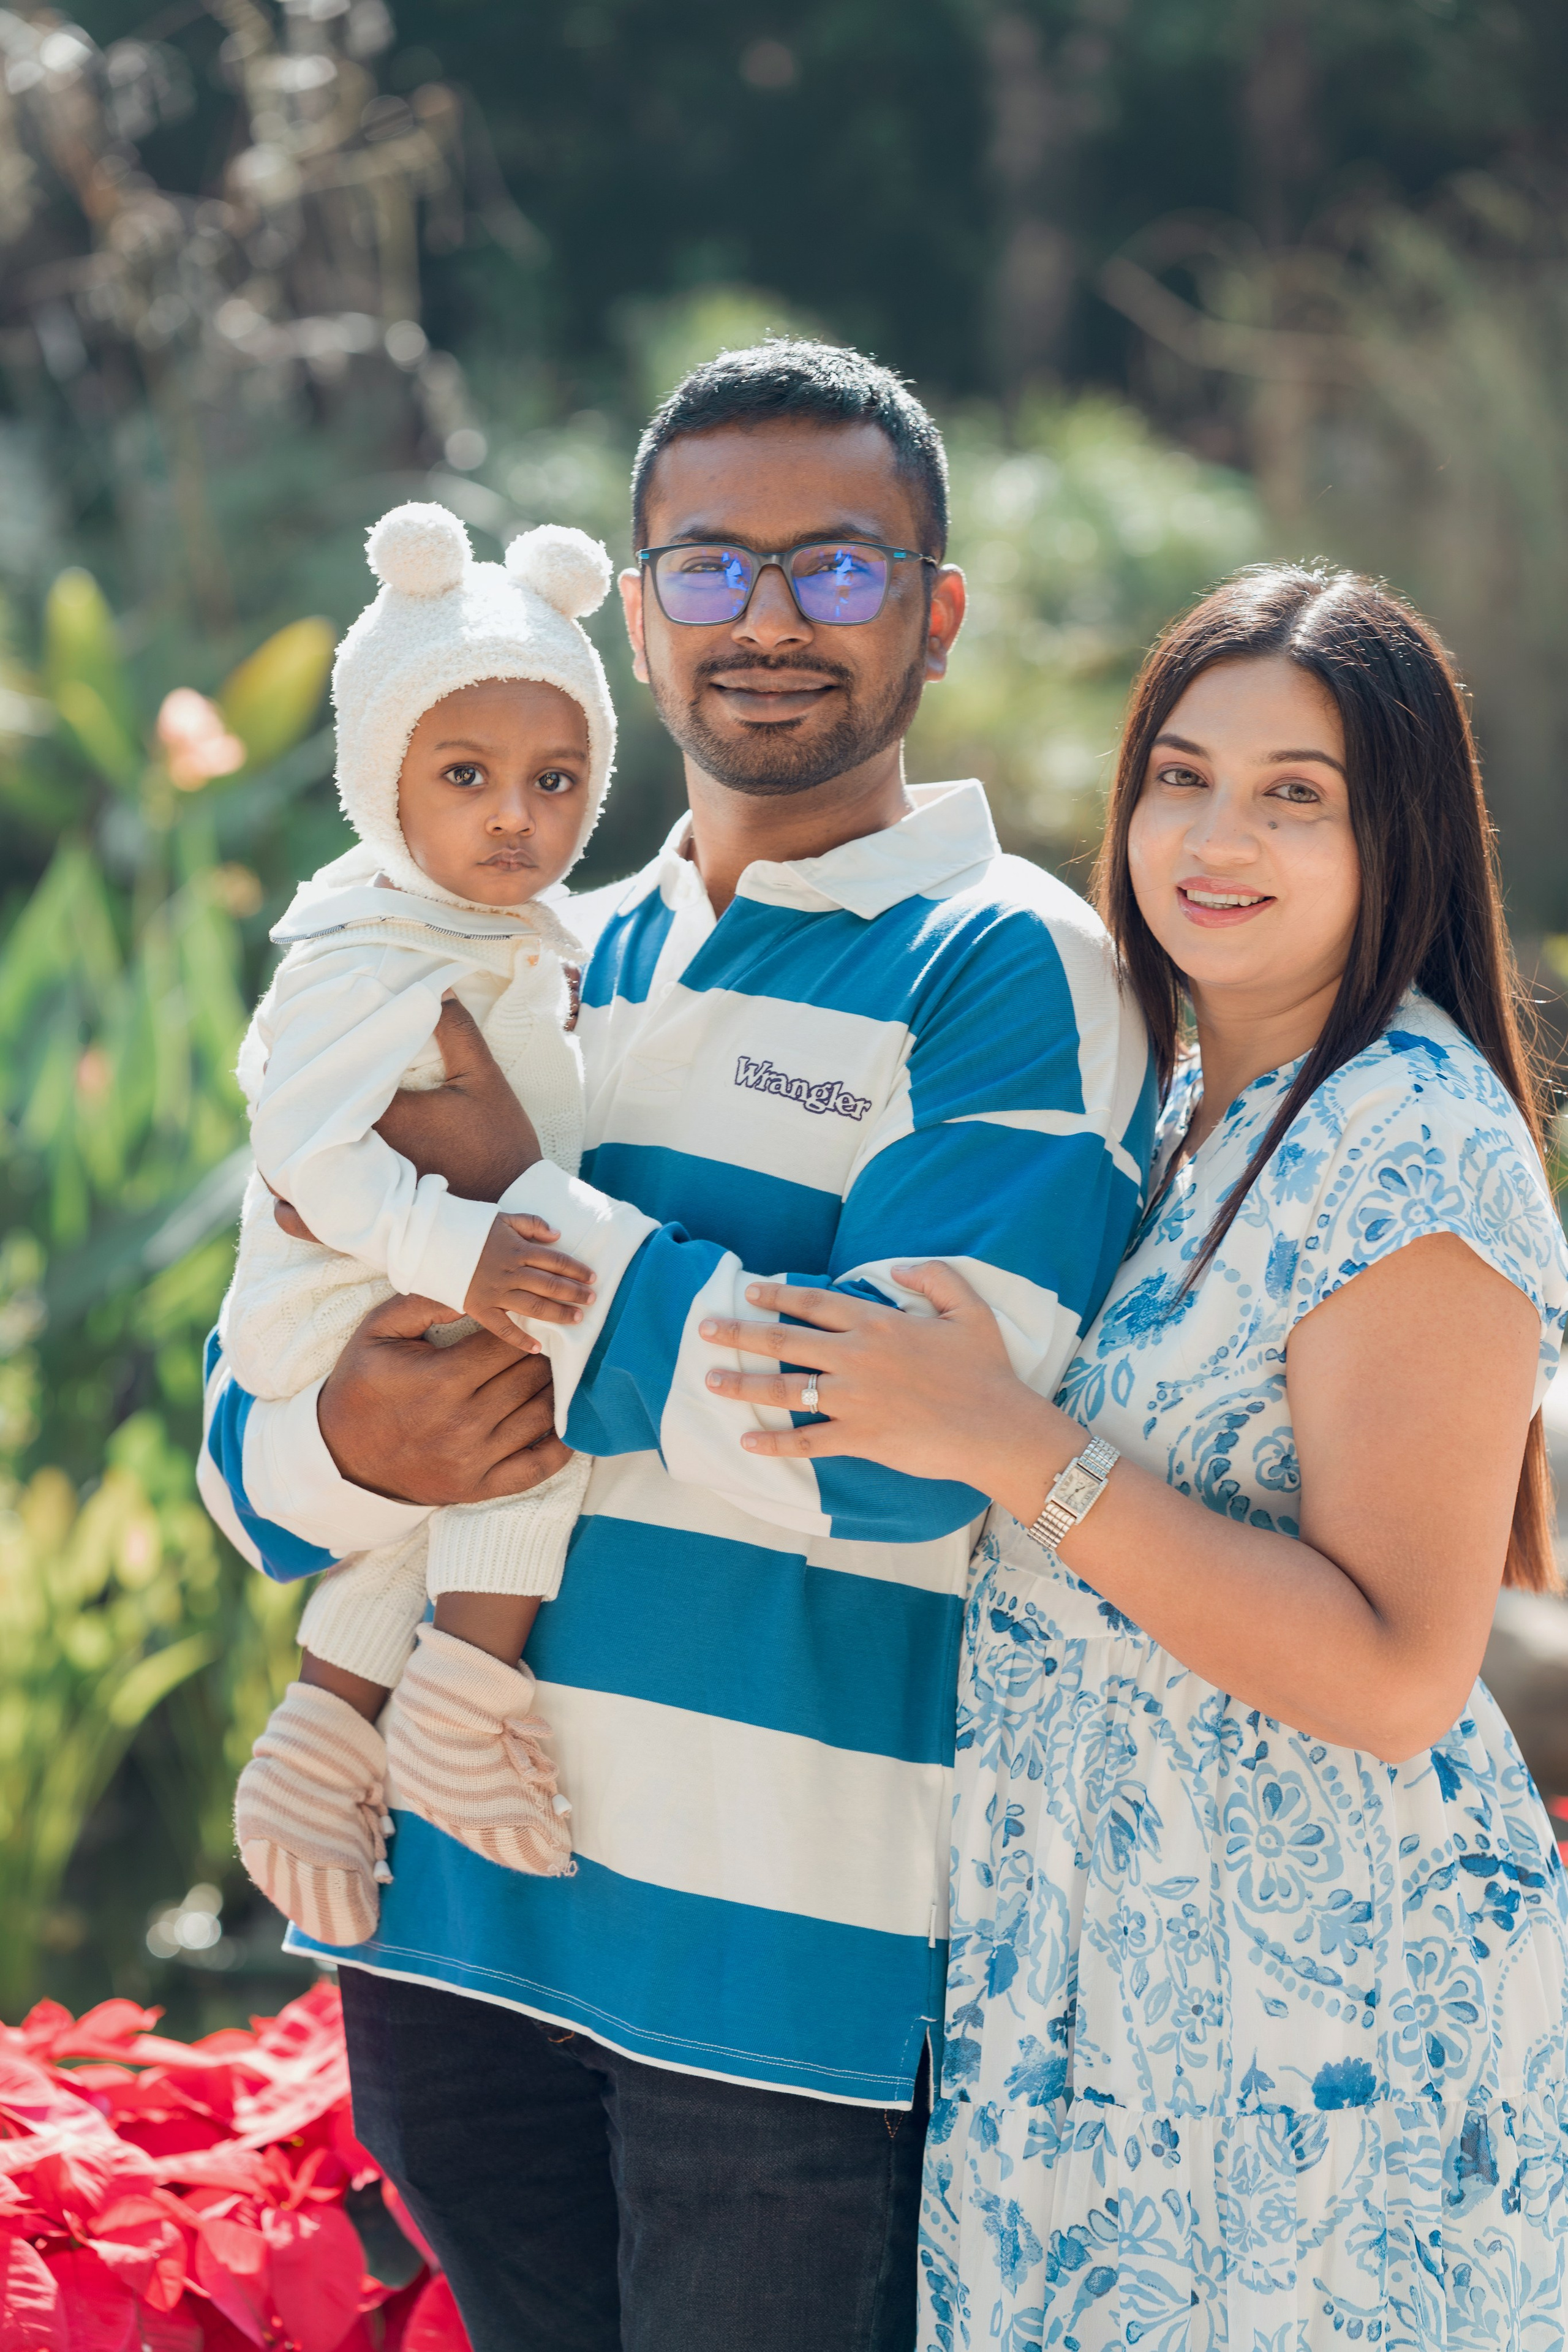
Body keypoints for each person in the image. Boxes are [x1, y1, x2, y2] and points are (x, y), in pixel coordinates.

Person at [197, 341, 1154, 2352]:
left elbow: (904, 1454)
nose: (771, 619)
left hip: (773, 1985)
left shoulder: (1008, 968)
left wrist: (512, 1242)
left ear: (939, 611)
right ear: (634, 618)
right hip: (450, 1927)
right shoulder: (516, 942)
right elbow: (250, 1431)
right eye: (711, 569)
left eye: (842, 566)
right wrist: (364, 1446)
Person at [699, 563, 1568, 2346]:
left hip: (1309, 2032)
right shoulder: (1186, 1108)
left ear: (1396, 833)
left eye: (1292, 793)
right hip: (1101, 1994)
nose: (1212, 833)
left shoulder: (1407, 1144)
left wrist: (1020, 1449)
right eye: (1179, 774)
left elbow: (1406, 1672)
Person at [224, 509, 615, 1942]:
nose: (516, 815)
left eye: (555, 778)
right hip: (345, 1296)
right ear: (380, 783)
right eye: (466, 777)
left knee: (437, 1495)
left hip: (402, 1282)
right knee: (539, 1423)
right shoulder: (372, 950)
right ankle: (464, 1695)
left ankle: (326, 1734)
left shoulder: (489, 935)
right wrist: (465, 1252)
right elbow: (303, 1156)